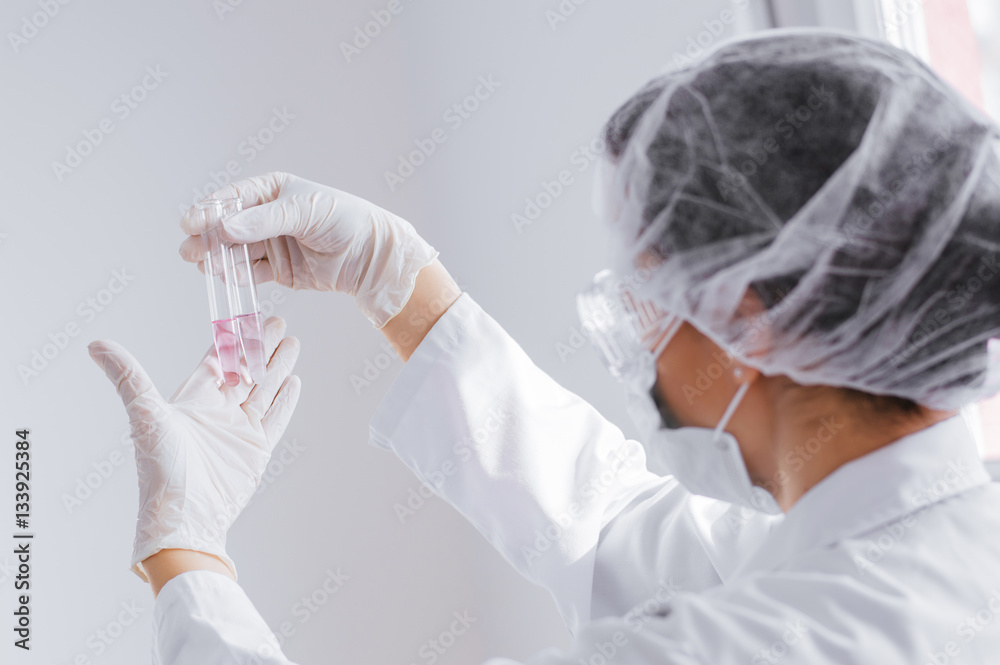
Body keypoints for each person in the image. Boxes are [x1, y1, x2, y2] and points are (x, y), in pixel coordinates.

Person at [90, 28, 1000, 664]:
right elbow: (618, 532)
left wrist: (185, 551)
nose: (632, 336)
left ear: (753, 316)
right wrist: (400, 285)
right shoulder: (927, 543)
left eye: (647, 297)